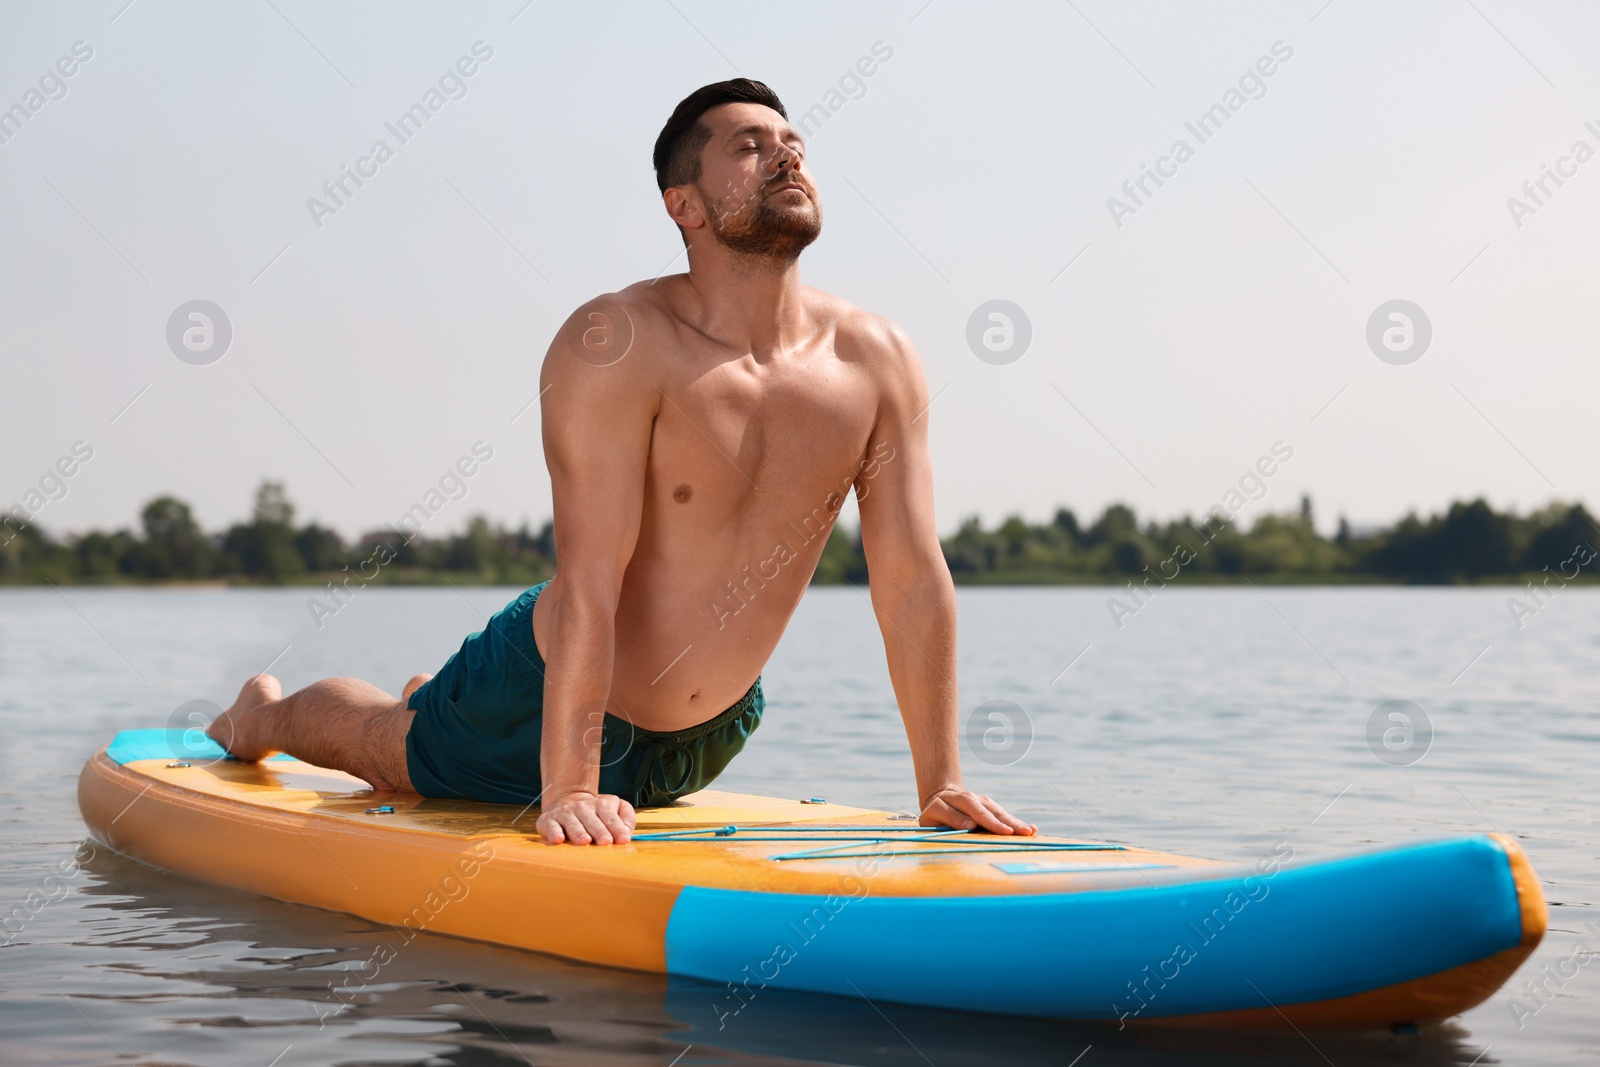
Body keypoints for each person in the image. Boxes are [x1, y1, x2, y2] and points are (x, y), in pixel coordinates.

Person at [209, 78, 1036, 847]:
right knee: (388, 747)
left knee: (436, 724)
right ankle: (263, 717)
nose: (788, 154)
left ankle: (434, 694)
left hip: (711, 731)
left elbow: (909, 578)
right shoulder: (618, 343)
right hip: (538, 698)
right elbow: (590, 578)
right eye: (750, 146)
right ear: (686, 205)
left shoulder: (877, 358)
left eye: (794, 141)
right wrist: (568, 785)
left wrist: (943, 780)